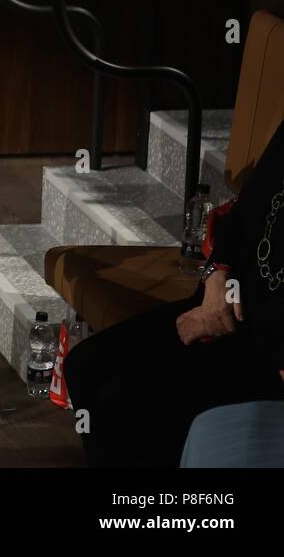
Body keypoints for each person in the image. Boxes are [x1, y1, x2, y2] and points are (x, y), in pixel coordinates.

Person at [64, 117, 284, 467]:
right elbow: (241, 215)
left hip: (264, 347)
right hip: (215, 306)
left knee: (128, 403)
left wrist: (221, 318)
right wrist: (216, 275)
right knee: (84, 367)